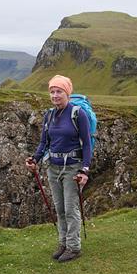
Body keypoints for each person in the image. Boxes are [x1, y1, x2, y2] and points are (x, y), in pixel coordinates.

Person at [25, 75, 91, 262]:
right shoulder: (49, 115)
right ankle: (63, 243)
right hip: (52, 167)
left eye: (59, 91)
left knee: (71, 209)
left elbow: (86, 144)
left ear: (67, 93)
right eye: (52, 91)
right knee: (59, 208)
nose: (55, 95)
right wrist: (35, 159)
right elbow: (44, 142)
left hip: (72, 168)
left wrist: (84, 170)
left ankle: (74, 247)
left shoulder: (78, 114)